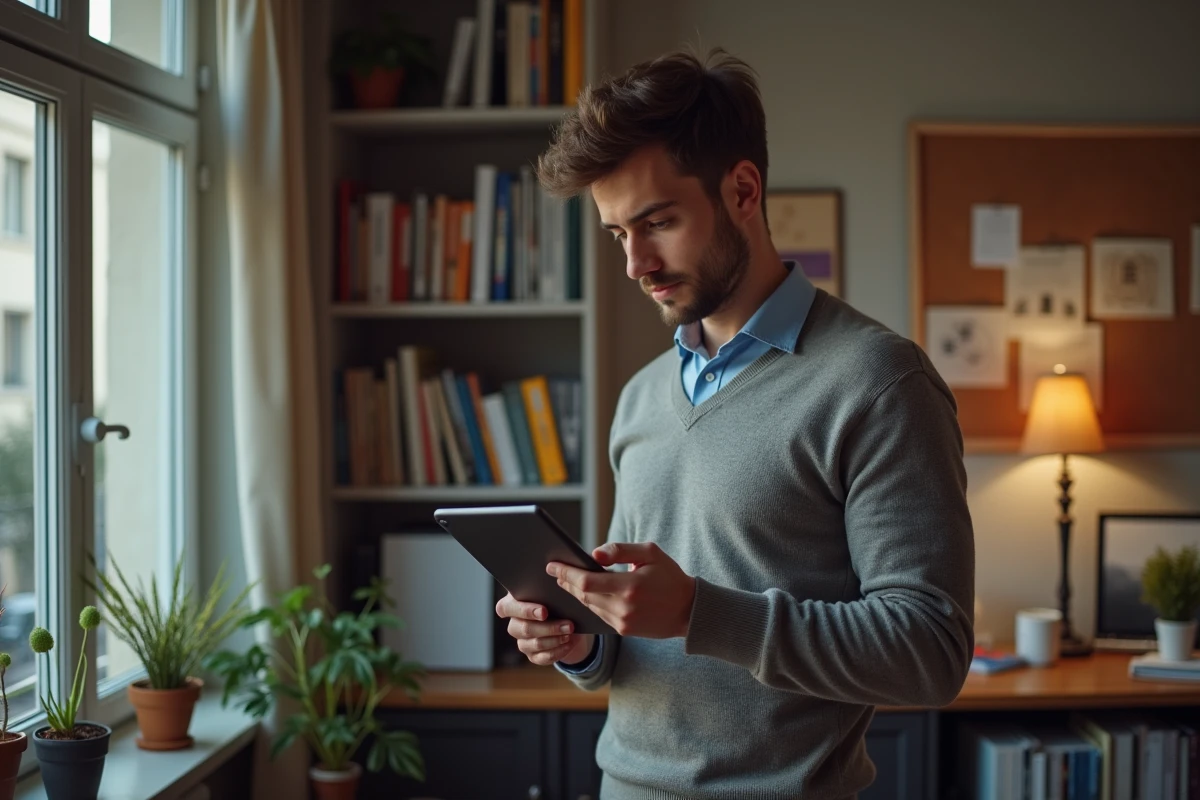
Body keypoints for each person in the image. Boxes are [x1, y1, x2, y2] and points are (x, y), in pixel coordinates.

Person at [495, 47, 975, 800]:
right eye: (618, 234)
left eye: (657, 222)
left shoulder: (879, 381)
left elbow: (931, 653)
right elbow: (641, 646)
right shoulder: (641, 398)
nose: (635, 264)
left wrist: (701, 612)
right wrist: (582, 643)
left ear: (743, 189)